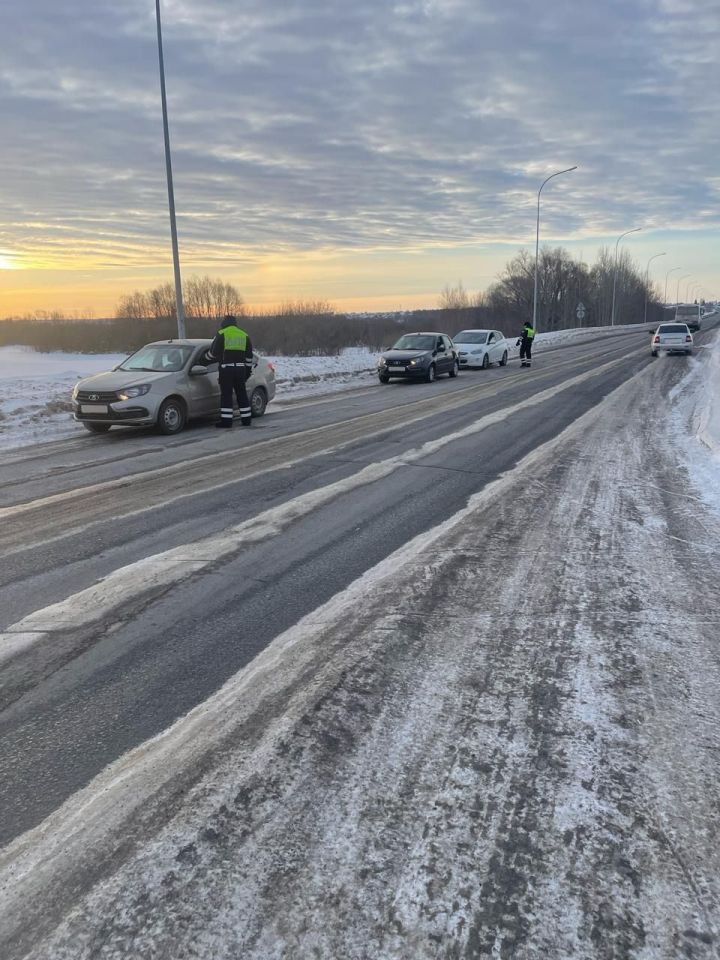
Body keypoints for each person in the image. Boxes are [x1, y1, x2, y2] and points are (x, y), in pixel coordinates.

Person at [206, 315, 254, 428]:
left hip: (226, 369)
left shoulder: (222, 333)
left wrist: (203, 359)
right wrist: (247, 371)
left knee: (226, 395)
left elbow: (213, 354)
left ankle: (226, 422)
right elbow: (249, 357)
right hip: (240, 369)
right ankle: (246, 419)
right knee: (242, 394)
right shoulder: (244, 335)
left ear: (224, 323)